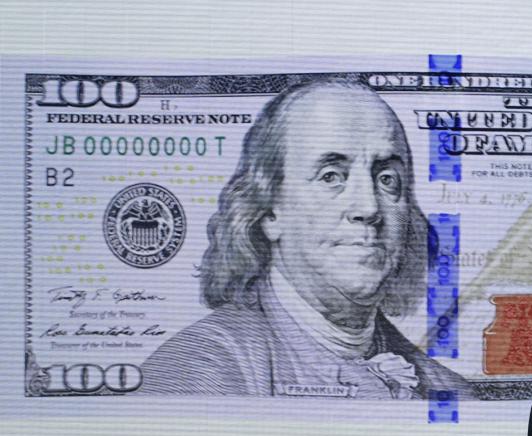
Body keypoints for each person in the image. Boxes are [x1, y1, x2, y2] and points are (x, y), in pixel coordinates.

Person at [139, 78, 473, 399]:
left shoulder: (450, 391)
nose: (369, 207)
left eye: (388, 179)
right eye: (331, 177)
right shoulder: (196, 373)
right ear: (270, 211)